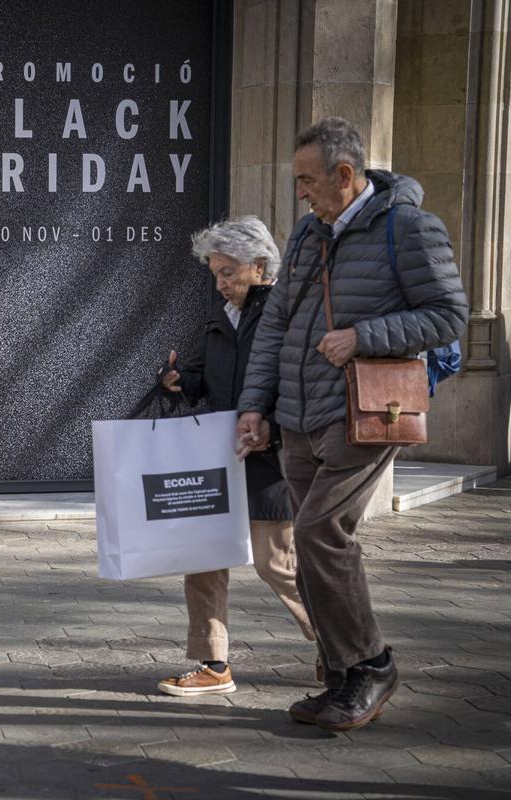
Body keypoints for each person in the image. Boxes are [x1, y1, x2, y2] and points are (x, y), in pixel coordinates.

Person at [237, 117, 468, 731]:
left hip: (363, 411)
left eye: (308, 180)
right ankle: (340, 676)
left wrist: (365, 335)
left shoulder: (409, 227)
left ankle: (372, 664)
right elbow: (276, 329)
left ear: (346, 174)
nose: (301, 193)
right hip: (297, 415)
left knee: (319, 531)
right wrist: (255, 408)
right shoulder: (310, 233)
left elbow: (448, 314)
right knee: (311, 545)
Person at [156, 217, 316, 698]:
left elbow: (300, 386)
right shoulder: (219, 316)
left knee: (277, 563)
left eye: (228, 272)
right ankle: (212, 664)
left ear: (260, 267)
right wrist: (179, 381)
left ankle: (344, 650)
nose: (221, 282)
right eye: (215, 273)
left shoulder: (286, 315)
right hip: (217, 455)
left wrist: (271, 427)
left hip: (268, 458)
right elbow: (204, 378)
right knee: (203, 556)